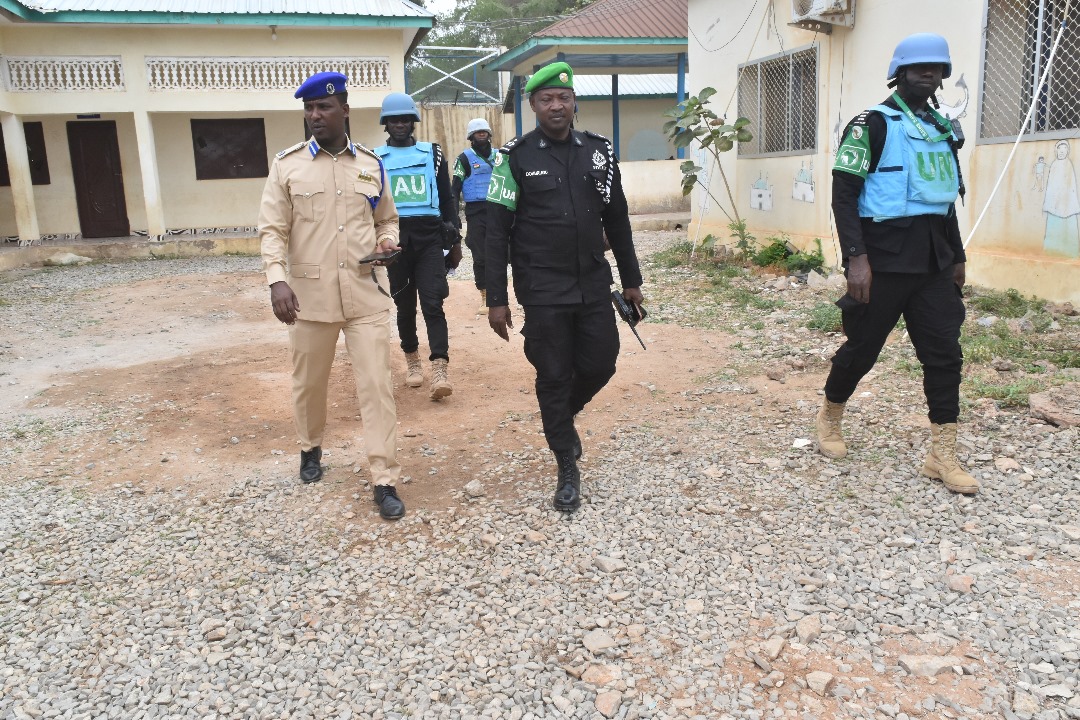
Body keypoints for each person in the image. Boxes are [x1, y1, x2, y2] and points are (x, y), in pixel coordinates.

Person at [817, 33, 978, 495]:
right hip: (882, 259)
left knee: (945, 354)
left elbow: (943, 200)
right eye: (919, 66)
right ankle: (830, 415)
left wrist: (957, 256)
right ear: (900, 71)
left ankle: (941, 453)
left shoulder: (940, 128)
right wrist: (856, 260)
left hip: (934, 260)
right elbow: (844, 195)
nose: (929, 73)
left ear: (943, 75)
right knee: (862, 349)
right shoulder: (871, 124)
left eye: (937, 67)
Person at [484, 61, 644, 512]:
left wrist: (631, 280)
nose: (556, 105)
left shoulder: (599, 152)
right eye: (546, 99)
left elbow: (618, 219)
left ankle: (559, 417)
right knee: (553, 374)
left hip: (592, 282)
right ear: (533, 105)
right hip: (542, 288)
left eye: (564, 98)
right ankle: (566, 465)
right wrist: (496, 298)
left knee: (602, 362)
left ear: (574, 102)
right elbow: (495, 233)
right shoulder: (512, 158)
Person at [259, 71, 406, 520]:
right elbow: (272, 229)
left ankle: (384, 478)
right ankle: (310, 446)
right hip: (309, 296)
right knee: (309, 382)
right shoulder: (287, 166)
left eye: (324, 107)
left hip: (365, 293)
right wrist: (276, 279)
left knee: (377, 386)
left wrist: (387, 242)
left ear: (344, 109)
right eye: (309, 109)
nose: (315, 115)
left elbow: (387, 219)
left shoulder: (371, 164)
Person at [373, 93, 462, 399]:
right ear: (386, 124)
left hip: (430, 236)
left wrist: (456, 241)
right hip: (394, 238)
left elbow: (447, 198)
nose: (400, 124)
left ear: (413, 122)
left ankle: (439, 368)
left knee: (433, 302)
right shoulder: (375, 159)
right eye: (393, 120)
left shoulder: (433, 154)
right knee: (404, 304)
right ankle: (412, 360)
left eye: (405, 119)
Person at [452, 118, 497, 312]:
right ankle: (485, 296)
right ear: (471, 136)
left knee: (502, 254)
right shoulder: (464, 159)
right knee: (480, 256)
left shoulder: (500, 156)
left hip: (498, 210)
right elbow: (455, 189)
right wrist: (454, 217)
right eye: (478, 132)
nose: (481, 134)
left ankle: (500, 295)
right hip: (476, 213)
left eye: (484, 131)